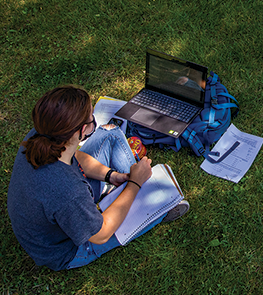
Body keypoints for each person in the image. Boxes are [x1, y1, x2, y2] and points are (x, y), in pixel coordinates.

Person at [7, 85, 189, 271]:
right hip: (66, 249)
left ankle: (122, 190)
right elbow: (100, 234)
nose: (94, 121)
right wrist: (134, 183)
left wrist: (111, 175)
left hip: (52, 214)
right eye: (91, 118)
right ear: (81, 130)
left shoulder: (43, 134)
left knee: (111, 133)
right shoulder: (68, 190)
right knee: (151, 197)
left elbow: (75, 157)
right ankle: (160, 205)